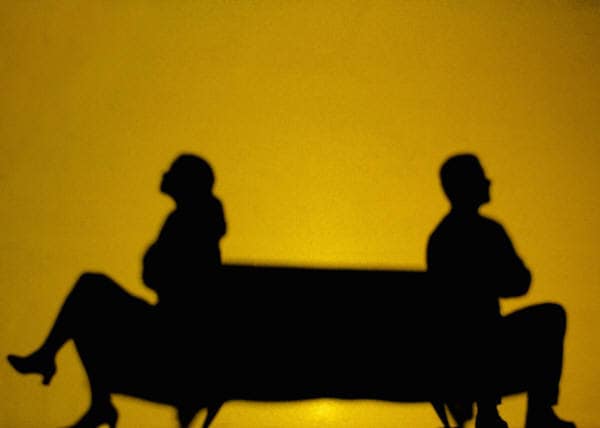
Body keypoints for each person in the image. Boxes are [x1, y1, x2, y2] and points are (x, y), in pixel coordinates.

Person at [7, 153, 226, 428]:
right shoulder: (195, 217)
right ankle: (83, 388)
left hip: (172, 328)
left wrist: (153, 261)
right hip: (171, 322)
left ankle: (63, 369)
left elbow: (162, 274)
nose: (164, 175)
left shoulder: (191, 219)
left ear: (186, 182)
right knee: (89, 299)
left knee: (90, 288)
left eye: (172, 171)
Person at [426, 153, 575, 428]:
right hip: (484, 345)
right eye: (481, 176)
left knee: (479, 331)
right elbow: (519, 281)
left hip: (454, 355)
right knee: (551, 317)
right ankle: (539, 411)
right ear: (466, 185)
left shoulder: (440, 238)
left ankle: (489, 412)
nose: (488, 182)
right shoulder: (488, 231)